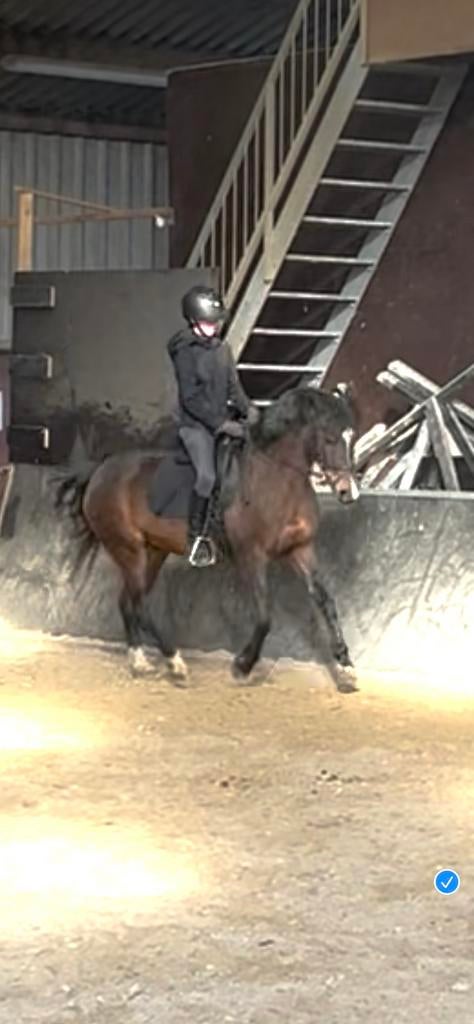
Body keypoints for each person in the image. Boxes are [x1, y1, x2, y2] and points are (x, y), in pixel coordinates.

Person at [168, 284, 256, 568]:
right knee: (207, 476)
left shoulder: (223, 349)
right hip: (196, 427)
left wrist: (250, 412)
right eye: (209, 322)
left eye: (217, 322)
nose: (214, 327)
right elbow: (190, 398)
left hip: (224, 422)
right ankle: (197, 538)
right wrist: (221, 425)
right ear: (194, 321)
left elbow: (234, 387)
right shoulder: (185, 351)